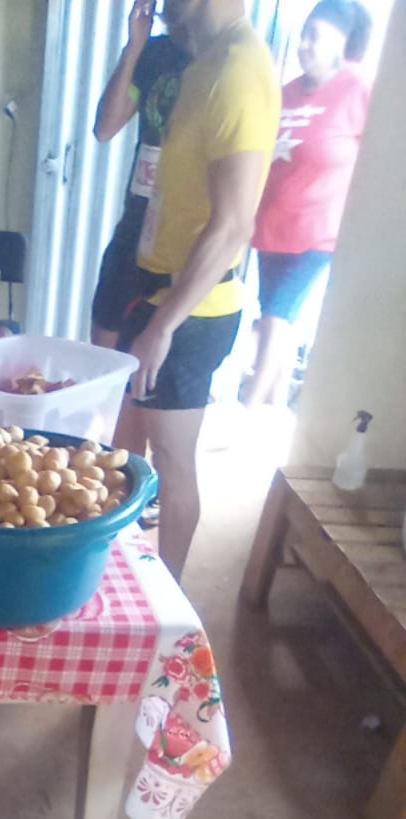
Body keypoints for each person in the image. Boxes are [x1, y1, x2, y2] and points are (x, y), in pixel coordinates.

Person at [113, 0, 280, 580]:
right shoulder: (204, 60)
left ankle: (169, 601)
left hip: (190, 312)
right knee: (127, 446)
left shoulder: (239, 68)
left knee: (172, 462)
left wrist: (163, 327)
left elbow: (234, 225)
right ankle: (127, 578)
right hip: (155, 292)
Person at [245, 0, 372, 410]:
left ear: (342, 41)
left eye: (315, 36)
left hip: (319, 235)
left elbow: (378, 159)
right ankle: (273, 414)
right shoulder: (285, 94)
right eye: (303, 35)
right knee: (279, 322)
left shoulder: (357, 91)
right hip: (271, 230)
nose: (304, 45)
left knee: (275, 319)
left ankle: (246, 410)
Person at [91, 1, 192, 350]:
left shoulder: (219, 58)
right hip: (136, 223)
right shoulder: (155, 54)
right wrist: (134, 47)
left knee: (153, 359)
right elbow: (105, 127)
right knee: (104, 347)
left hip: (182, 236)